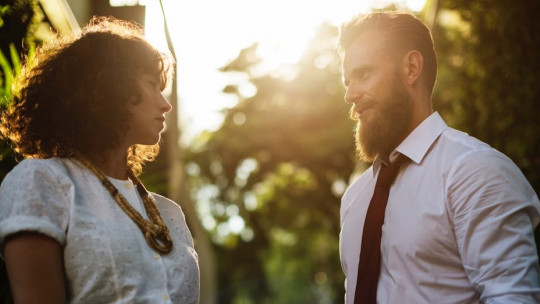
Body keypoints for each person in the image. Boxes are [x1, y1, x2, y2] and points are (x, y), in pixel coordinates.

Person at [338, 11, 540, 304]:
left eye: (363, 74)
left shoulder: (475, 171)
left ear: (411, 68)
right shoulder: (354, 199)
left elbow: (513, 298)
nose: (350, 95)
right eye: (347, 81)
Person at [0, 17, 199, 303]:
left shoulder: (170, 214)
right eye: (152, 84)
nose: (165, 104)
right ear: (108, 86)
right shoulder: (42, 182)